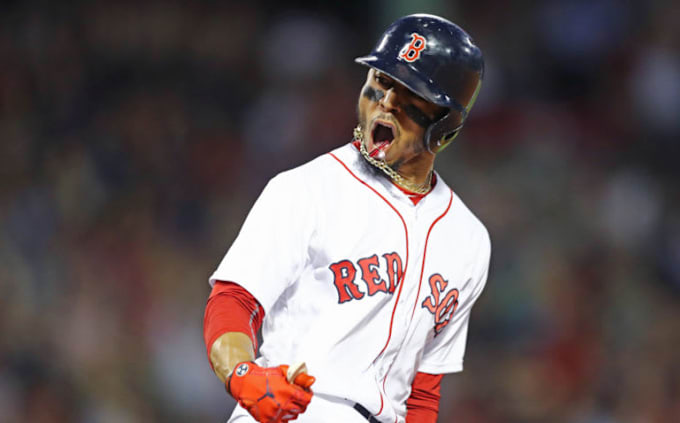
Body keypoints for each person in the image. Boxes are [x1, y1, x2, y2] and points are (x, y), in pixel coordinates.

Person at [203, 13, 490, 423]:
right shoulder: (305, 189)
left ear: (447, 123)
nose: (386, 102)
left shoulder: (469, 240)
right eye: (380, 82)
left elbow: (423, 389)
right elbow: (233, 300)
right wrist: (244, 374)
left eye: (409, 92)